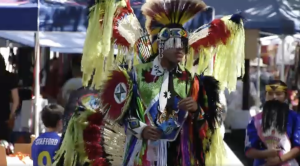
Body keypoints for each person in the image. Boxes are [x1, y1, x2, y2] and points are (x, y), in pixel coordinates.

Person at [54, 0, 245, 166]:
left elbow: (207, 123)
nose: (180, 49)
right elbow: (121, 114)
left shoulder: (191, 80)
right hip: (141, 152)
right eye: (174, 43)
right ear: (161, 46)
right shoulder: (135, 76)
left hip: (178, 155)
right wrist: (142, 129)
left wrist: (196, 110)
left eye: (184, 45)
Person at [245, 80, 300, 166]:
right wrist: (267, 153)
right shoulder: (255, 120)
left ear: (285, 96)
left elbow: (298, 146)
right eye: (270, 93)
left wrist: (280, 159)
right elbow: (248, 150)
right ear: (265, 96)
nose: (274, 97)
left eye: (278, 94)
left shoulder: (295, 118)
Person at [0, 55, 19, 141]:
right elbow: (16, 100)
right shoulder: (10, 77)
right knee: (4, 146)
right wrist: (11, 115)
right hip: (4, 116)